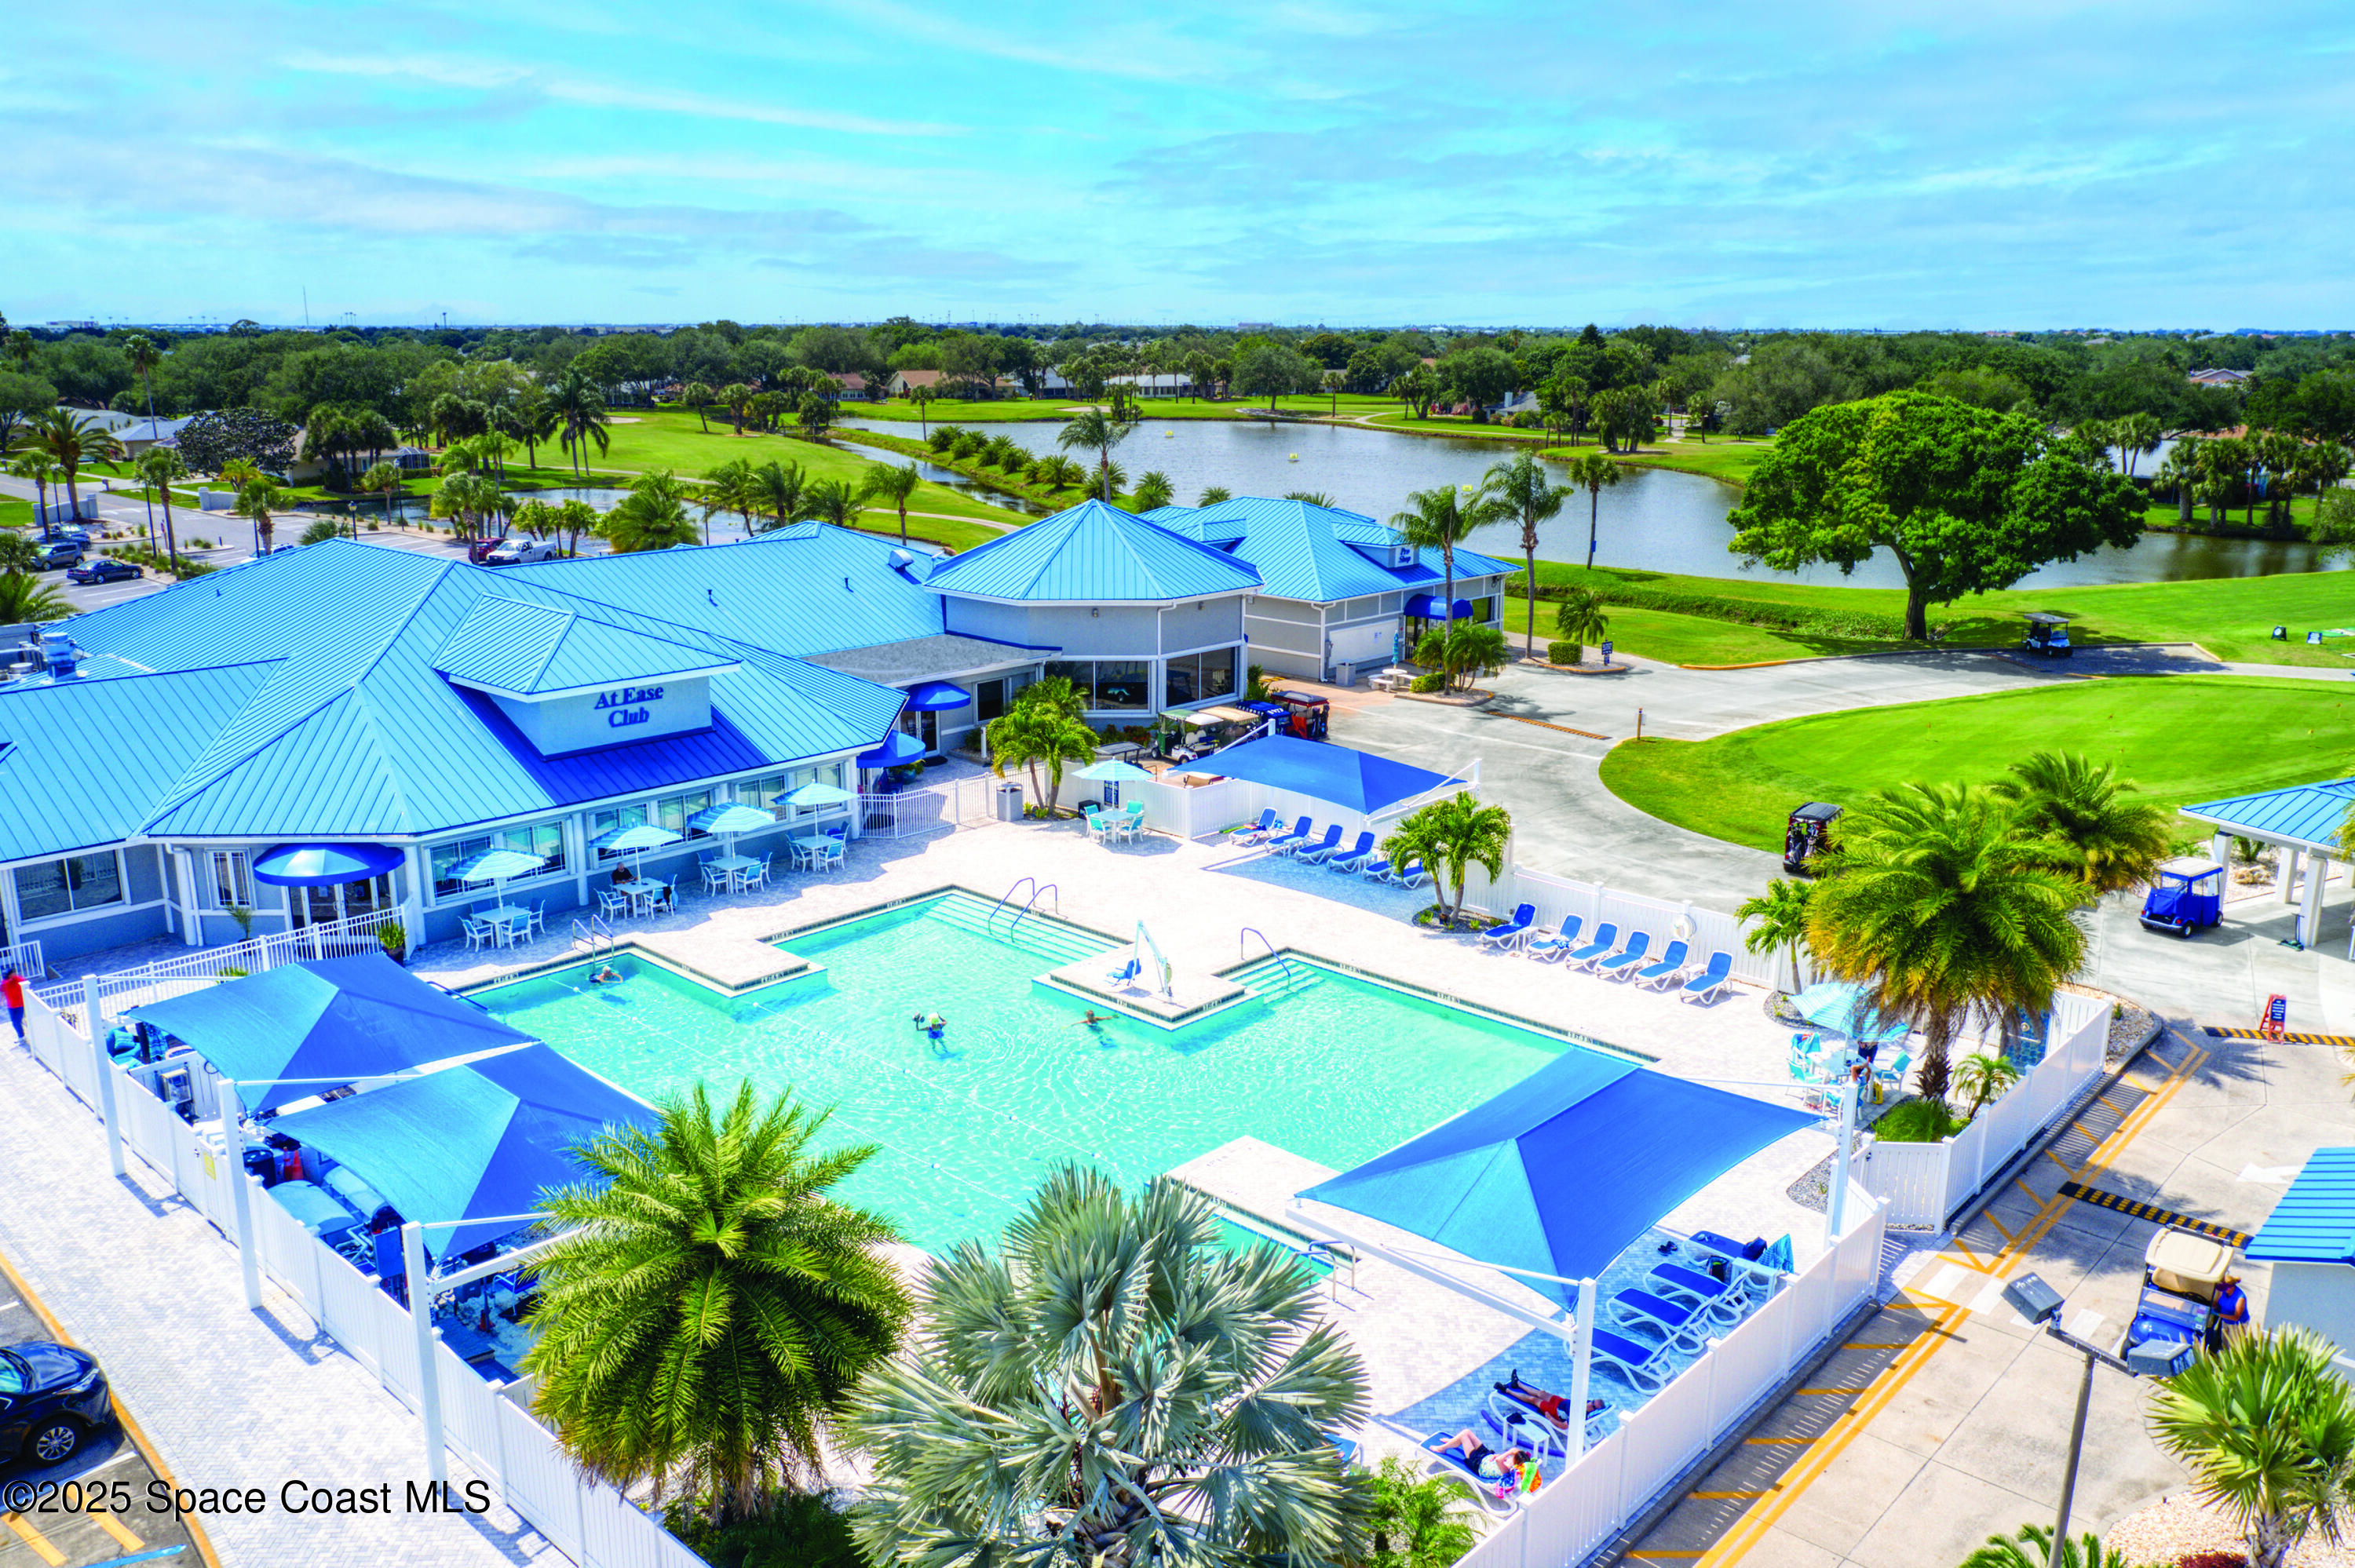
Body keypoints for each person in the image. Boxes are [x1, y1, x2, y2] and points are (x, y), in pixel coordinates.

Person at [1497, 1372, 1605, 1429]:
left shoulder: (1579, 1416)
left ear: (1593, 1410)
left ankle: (1507, 1390)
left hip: (1556, 1411)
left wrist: (1550, 1418)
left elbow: (1563, 1426)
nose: (1590, 1404)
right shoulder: (1588, 1403)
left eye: (1593, 1406)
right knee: (1540, 1393)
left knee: (1533, 1400)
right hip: (1562, 1402)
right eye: (1592, 1401)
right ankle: (1518, 1383)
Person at [1434, 1428, 1527, 1485]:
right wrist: (1497, 1456)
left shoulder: (1507, 1469)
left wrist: (1510, 1451)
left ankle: (1442, 1448)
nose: (1511, 1457)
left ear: (1515, 1464)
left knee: (1464, 1437)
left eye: (1513, 1457)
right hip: (1486, 1455)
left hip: (1478, 1464)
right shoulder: (1511, 1465)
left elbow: (1499, 1461)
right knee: (1467, 1432)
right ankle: (1454, 1441)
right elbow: (1499, 1459)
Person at [2211, 1274, 2252, 1350]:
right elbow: (2217, 1302)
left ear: (2230, 1287)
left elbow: (2236, 1317)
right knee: (2224, 1340)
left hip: (2237, 1324)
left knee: (2233, 1345)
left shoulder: (2240, 1298)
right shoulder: (2223, 1292)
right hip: (2225, 1320)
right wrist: (2212, 1307)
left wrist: (2218, 1314)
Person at [2, 968, 20, 1042]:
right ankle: (21, 1036)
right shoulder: (5, 982)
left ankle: (21, 1036)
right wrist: (1, 1001)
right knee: (14, 1022)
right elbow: (3, 991)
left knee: (17, 1021)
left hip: (20, 1004)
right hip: (11, 1005)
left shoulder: (19, 980)